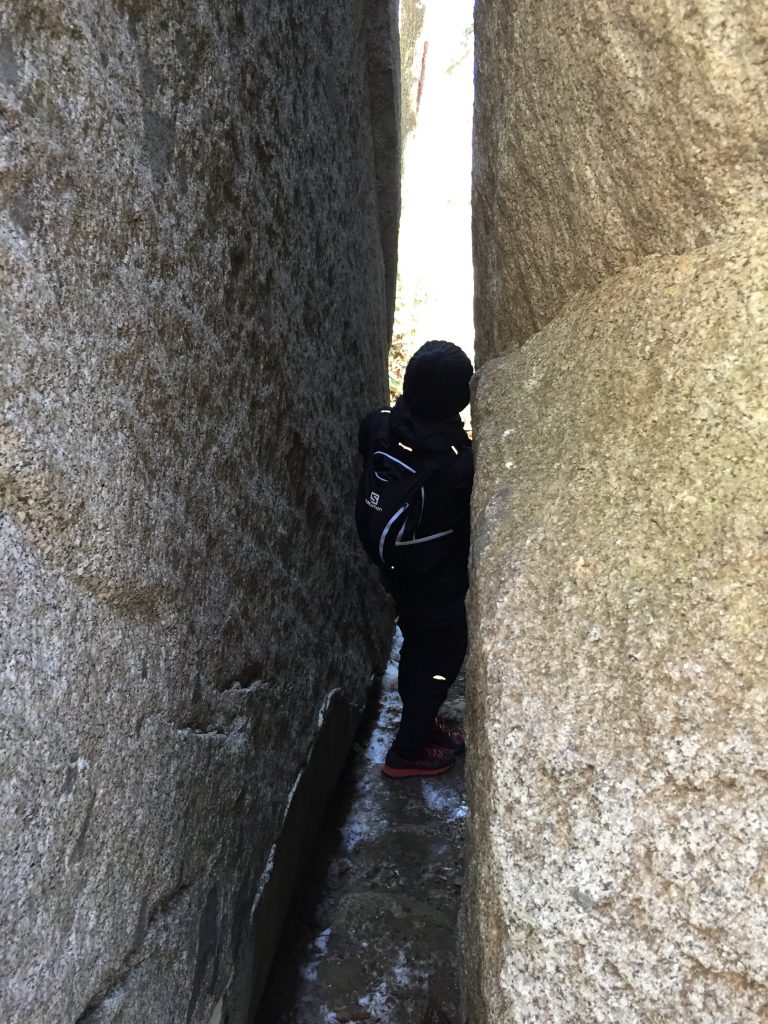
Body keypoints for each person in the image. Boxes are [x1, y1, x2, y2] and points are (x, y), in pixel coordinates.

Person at [358, 340, 474, 778]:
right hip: (436, 583)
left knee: (417, 648)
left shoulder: (377, 425)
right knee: (439, 660)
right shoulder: (458, 465)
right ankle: (407, 753)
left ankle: (421, 722)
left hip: (395, 572)